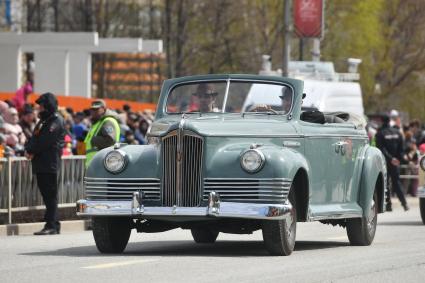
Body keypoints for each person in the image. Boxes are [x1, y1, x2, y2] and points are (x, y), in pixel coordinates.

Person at [25, 92, 65, 235]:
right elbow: (34, 137)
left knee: (50, 195)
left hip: (49, 163)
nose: (39, 108)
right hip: (41, 163)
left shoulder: (55, 120)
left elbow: (45, 141)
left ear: (47, 106)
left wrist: (31, 149)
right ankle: (51, 224)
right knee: (47, 195)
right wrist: (28, 149)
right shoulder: (44, 121)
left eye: (41, 106)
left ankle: (52, 225)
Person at [375, 114, 409, 211]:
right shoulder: (398, 132)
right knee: (396, 183)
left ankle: (388, 205)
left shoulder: (380, 133)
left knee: (385, 184)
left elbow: (381, 149)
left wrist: (390, 159)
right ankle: (404, 203)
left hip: (385, 162)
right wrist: (397, 159)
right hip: (395, 163)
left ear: (381, 121)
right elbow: (402, 149)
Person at [84, 99, 120, 167]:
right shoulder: (97, 123)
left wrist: (93, 140)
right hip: (94, 164)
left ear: (103, 109)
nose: (93, 112)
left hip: (102, 163)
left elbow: (110, 140)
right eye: (92, 109)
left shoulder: (108, 121)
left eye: (96, 109)